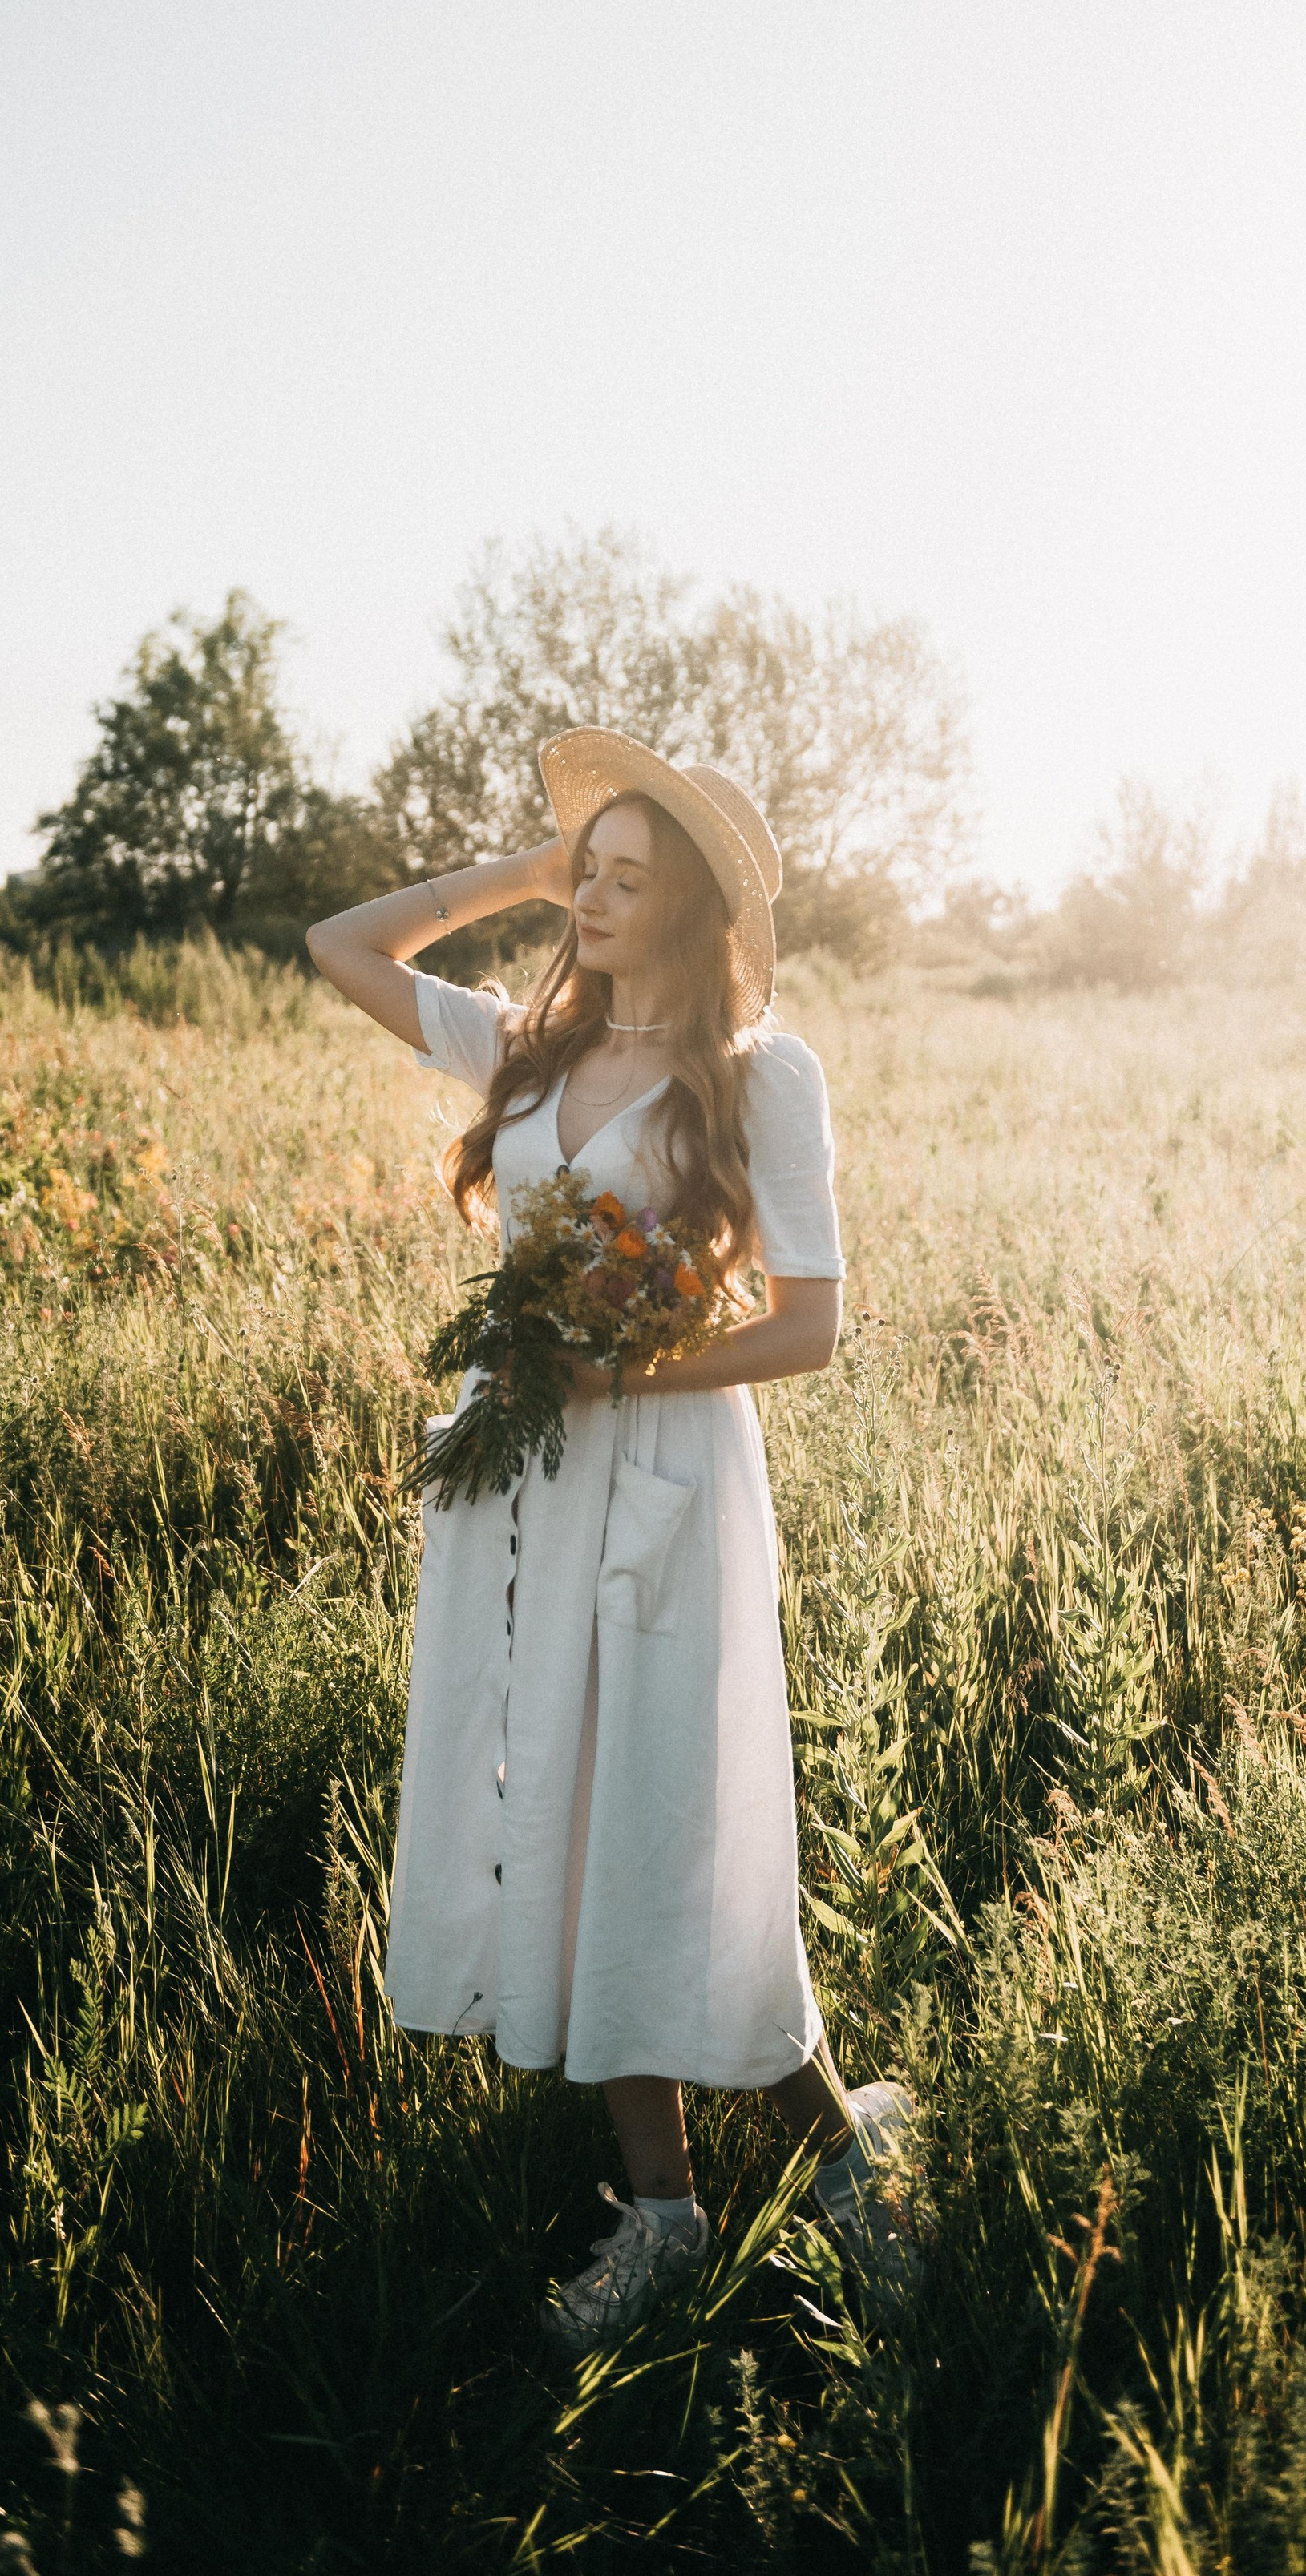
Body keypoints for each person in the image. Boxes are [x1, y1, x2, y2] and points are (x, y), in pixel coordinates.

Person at [307, 729, 920, 2351]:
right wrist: (519, 869)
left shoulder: (758, 1073)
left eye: (625, 877)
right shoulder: (519, 1048)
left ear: (692, 909)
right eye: (587, 866)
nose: (592, 893)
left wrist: (627, 1365)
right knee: (561, 1825)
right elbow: (340, 947)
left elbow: (810, 1325)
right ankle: (660, 2215)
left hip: (661, 1476)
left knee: (672, 1823)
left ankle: (840, 2166)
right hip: (515, 1488)